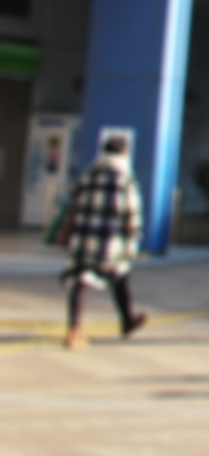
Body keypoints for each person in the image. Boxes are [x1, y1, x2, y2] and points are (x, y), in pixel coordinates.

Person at [58, 134, 148, 349]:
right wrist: (133, 242)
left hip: (83, 238)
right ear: (124, 153)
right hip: (110, 241)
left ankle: (81, 328)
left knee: (85, 279)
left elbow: (72, 202)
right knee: (117, 274)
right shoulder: (124, 179)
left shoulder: (88, 175)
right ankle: (123, 321)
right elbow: (133, 214)